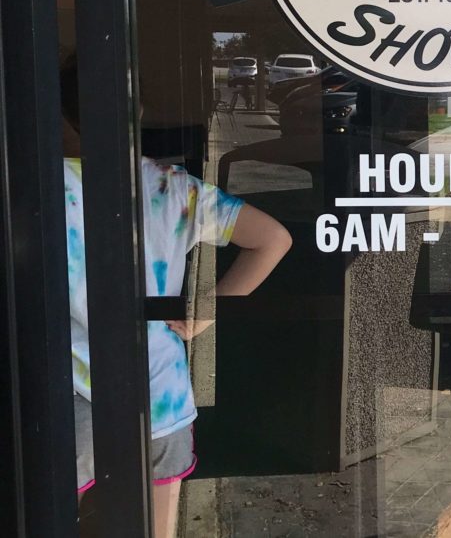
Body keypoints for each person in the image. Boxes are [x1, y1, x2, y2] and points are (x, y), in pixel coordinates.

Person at [61, 59, 292, 538]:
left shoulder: (37, 187)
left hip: (69, 400)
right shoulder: (174, 188)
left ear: (65, 114)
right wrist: (204, 310)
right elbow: (273, 238)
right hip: (160, 395)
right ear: (138, 110)